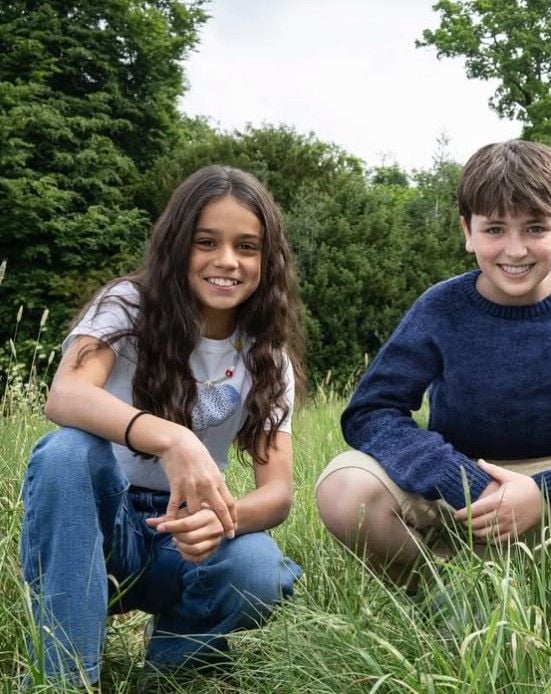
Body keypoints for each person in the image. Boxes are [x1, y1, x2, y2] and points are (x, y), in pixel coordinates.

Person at [315, 139, 551, 590]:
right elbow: (371, 412)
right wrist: (460, 480)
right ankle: (447, 593)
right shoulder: (440, 309)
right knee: (343, 487)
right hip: (458, 495)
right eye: (495, 229)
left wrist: (548, 492)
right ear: (468, 230)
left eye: (535, 228)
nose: (515, 250)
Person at [20, 165, 305, 684]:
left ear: (268, 260)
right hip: (98, 518)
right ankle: (67, 677)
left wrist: (224, 519)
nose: (227, 261)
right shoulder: (127, 305)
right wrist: (173, 439)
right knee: (66, 452)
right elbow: (64, 395)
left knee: (258, 567)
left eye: (247, 247)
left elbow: (278, 493)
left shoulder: (268, 355)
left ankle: (171, 670)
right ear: (177, 244)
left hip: (185, 534)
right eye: (206, 242)